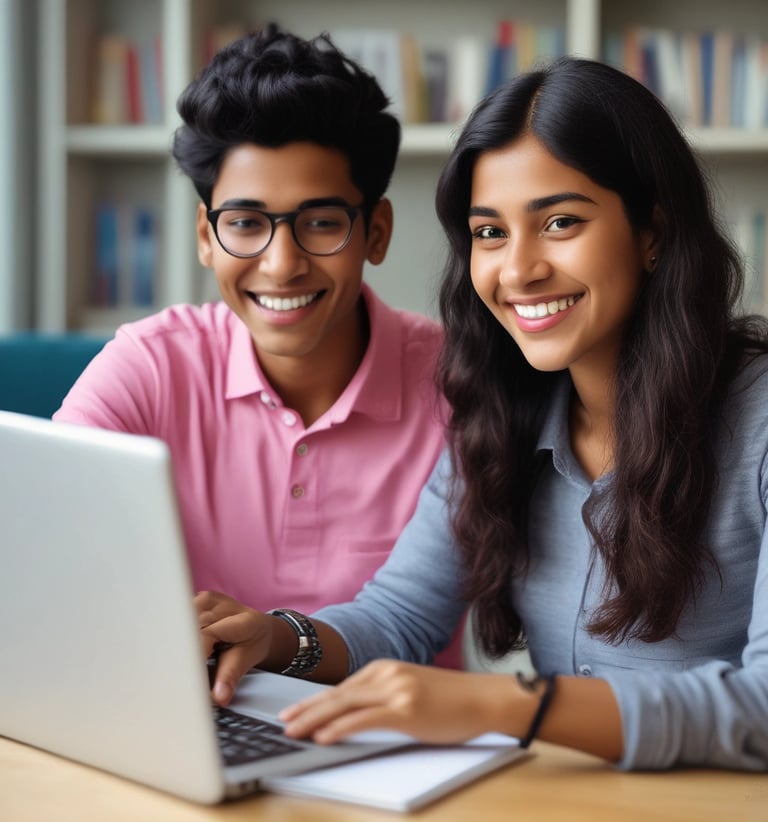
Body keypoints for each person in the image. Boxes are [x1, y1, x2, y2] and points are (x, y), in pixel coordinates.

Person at [195, 56, 768, 771]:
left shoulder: (759, 420)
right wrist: (277, 638)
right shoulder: (500, 416)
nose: (517, 269)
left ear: (652, 231)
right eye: (489, 233)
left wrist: (506, 706)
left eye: (559, 222)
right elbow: (399, 617)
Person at [53, 27, 465, 668]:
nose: (281, 265)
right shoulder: (150, 366)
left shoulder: (459, 385)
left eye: (321, 223)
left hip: (394, 751)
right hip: (192, 729)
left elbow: (417, 616)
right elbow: (35, 533)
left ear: (374, 232)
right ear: (205, 236)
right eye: (245, 223)